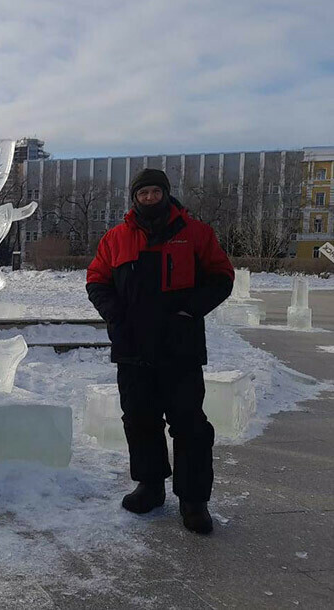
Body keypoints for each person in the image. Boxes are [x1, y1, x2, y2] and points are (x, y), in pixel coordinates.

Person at [86, 168, 234, 534]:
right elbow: (96, 281)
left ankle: (193, 500)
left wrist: (189, 310)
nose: (150, 197)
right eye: (144, 192)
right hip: (133, 348)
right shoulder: (116, 238)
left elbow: (222, 276)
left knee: (190, 425)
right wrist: (115, 316)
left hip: (179, 349)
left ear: (166, 193)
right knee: (139, 420)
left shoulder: (195, 233)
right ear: (134, 197)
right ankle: (150, 487)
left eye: (156, 191)